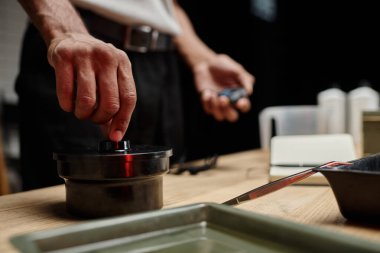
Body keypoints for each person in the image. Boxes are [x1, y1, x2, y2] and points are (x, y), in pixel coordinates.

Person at [16, 0, 255, 190]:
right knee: (70, 209)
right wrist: (65, 31)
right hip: (81, 50)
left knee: (167, 197)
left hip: (161, 62)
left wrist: (201, 58)